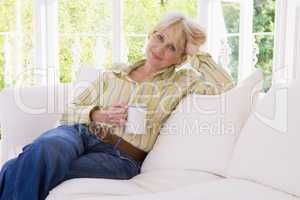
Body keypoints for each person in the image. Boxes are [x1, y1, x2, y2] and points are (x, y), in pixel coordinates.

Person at [0, 12, 233, 200]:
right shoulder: (115, 72)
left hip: (120, 157)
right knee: (47, 148)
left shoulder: (182, 81)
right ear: (151, 35)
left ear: (180, 58)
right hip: (80, 133)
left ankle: (23, 162)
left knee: (28, 164)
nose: (160, 49)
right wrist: (98, 114)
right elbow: (70, 110)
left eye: (172, 47)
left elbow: (224, 85)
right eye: (160, 38)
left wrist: (196, 53)